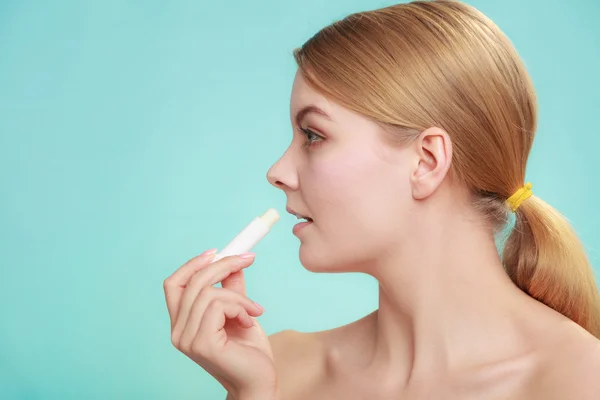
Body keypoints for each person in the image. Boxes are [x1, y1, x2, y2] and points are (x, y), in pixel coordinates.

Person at [163, 1, 600, 399]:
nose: (277, 172)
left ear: (427, 161)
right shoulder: (279, 371)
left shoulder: (576, 381)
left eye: (313, 135)